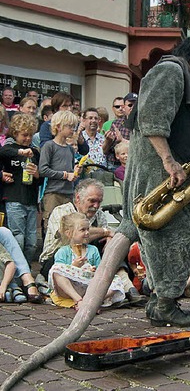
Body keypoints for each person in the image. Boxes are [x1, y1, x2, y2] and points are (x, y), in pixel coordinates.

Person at [118, 36, 190, 326]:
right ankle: (165, 303)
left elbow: (173, 131)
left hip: (175, 169)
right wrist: (169, 162)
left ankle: (162, 300)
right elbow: (150, 121)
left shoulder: (180, 76)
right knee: (176, 235)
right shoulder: (170, 71)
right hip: (159, 172)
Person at [48, 212, 125, 310]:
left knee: (116, 280)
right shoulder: (63, 251)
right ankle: (79, 300)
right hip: (70, 289)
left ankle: (90, 301)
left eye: (88, 229)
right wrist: (74, 266)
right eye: (82, 230)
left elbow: (100, 270)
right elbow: (59, 274)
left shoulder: (93, 250)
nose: (87, 233)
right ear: (69, 233)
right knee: (56, 269)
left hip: (89, 287)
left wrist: (94, 269)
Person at [0, 113, 41, 262]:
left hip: (31, 201)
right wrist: (20, 151)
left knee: (32, 243)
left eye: (30, 135)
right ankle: (17, 276)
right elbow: (3, 152)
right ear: (15, 133)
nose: (28, 139)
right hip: (14, 199)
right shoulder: (9, 149)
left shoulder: (34, 152)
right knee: (18, 239)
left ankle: (27, 270)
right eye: (24, 135)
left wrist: (36, 174)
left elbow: (41, 180)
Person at [39, 111, 80, 229]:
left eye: (74, 126)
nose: (73, 129)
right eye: (70, 126)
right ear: (58, 126)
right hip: (53, 193)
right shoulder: (49, 146)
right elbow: (43, 170)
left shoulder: (70, 149)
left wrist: (76, 172)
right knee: (52, 226)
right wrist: (65, 175)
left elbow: (71, 171)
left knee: (68, 227)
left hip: (68, 193)